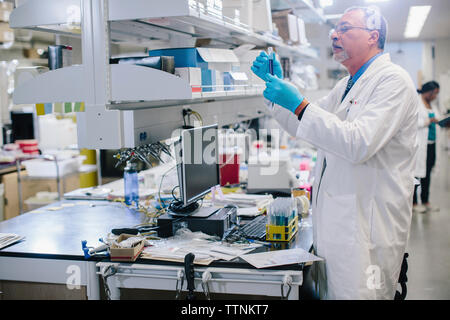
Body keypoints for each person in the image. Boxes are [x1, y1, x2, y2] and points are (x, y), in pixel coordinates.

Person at [251, 6, 418, 299]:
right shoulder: (346, 85)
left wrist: (301, 104)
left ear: (372, 37)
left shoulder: (393, 81)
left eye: (344, 29)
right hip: (338, 224)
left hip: (368, 228)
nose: (334, 35)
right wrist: (276, 89)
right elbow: (302, 124)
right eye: (335, 29)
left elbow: (359, 143)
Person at [413, 81, 440, 213]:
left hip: (431, 144)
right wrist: (427, 121)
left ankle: (425, 201)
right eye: (435, 93)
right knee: (415, 174)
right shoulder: (416, 103)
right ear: (428, 92)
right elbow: (411, 122)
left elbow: (438, 118)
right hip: (419, 144)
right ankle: (414, 203)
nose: (436, 96)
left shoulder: (432, 105)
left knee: (427, 173)